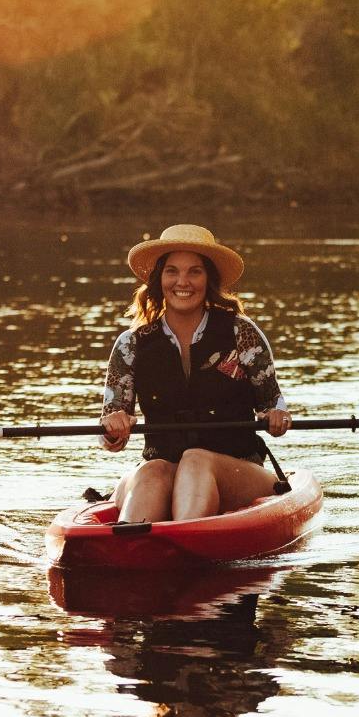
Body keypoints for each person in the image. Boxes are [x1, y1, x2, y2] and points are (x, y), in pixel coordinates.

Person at [98, 223, 291, 523]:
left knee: (195, 460)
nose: (182, 282)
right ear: (159, 278)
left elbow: (273, 405)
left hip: (237, 468)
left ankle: (186, 536)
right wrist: (112, 429)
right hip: (164, 468)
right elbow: (112, 435)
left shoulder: (242, 333)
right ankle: (128, 541)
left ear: (208, 279)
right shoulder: (131, 344)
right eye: (172, 271)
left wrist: (277, 418)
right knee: (152, 469)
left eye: (194, 271)